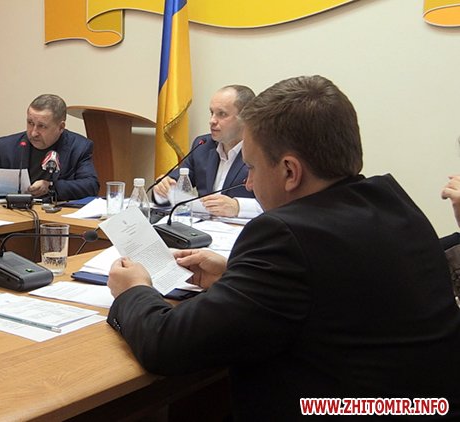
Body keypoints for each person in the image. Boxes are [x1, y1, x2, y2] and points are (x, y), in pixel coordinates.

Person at [107, 75, 460, 420]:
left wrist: (133, 291)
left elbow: (167, 346)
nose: (248, 182)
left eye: (252, 167)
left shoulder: (284, 235)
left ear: (290, 171)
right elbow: (332, 291)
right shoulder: (396, 206)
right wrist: (234, 277)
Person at [153, 85, 262, 218]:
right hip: (200, 227)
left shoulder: (262, 151)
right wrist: (162, 189)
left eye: (222, 114)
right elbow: (175, 185)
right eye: (212, 113)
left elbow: (278, 205)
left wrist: (238, 207)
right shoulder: (202, 145)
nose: (212, 121)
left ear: (246, 118)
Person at [0, 94, 99, 201]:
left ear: (61, 127)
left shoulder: (78, 147)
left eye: (42, 126)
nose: (34, 133)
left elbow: (91, 186)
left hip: (54, 211)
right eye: (30, 123)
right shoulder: (5, 147)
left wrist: (51, 186)